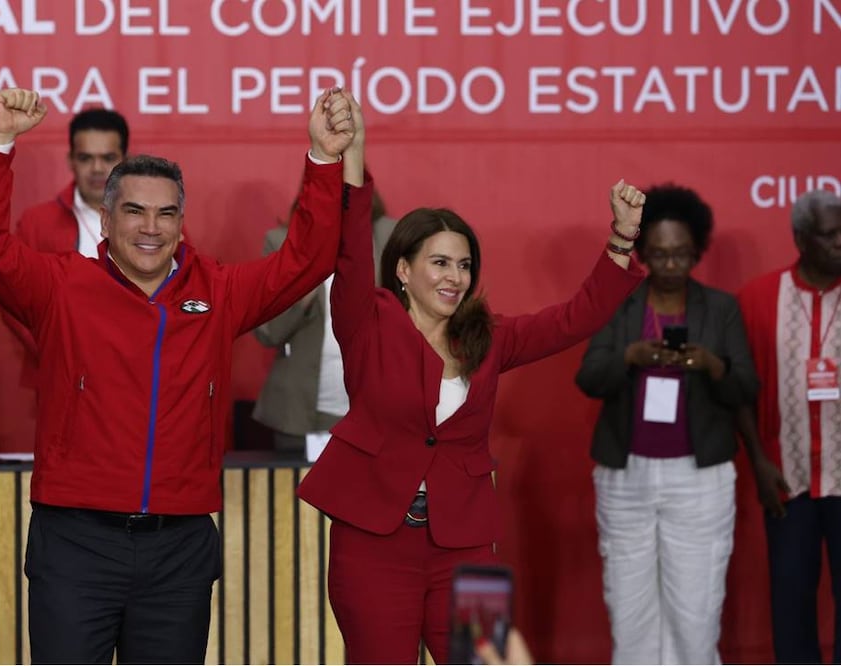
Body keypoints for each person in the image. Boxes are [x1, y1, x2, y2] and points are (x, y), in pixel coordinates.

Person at [0, 87, 357, 664]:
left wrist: (322, 160)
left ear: (181, 221)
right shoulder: (62, 287)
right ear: (106, 215)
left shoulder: (217, 291)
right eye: (135, 210)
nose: (151, 227)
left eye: (166, 213)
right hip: (76, 541)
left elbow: (307, 261)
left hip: (179, 546)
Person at [296, 89, 647, 664]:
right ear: (404, 270)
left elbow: (575, 317)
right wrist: (352, 154)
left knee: (483, 660)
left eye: (464, 265)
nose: (455, 277)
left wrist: (621, 239)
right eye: (440, 263)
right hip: (374, 547)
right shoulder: (369, 321)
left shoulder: (488, 337)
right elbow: (352, 247)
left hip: (464, 545)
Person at [574, 184, 760, 664]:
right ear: (642, 253)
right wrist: (630, 356)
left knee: (695, 613)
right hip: (625, 476)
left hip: (699, 480)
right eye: (658, 254)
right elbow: (589, 377)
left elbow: (745, 388)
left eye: (680, 254)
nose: (670, 265)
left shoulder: (720, 309)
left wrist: (712, 366)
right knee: (629, 606)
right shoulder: (621, 302)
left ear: (697, 250)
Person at [738, 189, 841, 664]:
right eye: (829, 234)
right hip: (787, 477)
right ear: (801, 239)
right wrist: (758, 462)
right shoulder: (758, 298)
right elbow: (739, 390)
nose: (840, 242)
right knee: (791, 601)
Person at [252, 189, 396, 454]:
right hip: (298, 416)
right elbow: (269, 332)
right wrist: (307, 282)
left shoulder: (389, 236)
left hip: (375, 414)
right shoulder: (283, 242)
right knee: (291, 496)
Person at [4, 108, 130, 387]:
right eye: (86, 158)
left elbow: (182, 288)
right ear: (71, 160)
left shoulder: (154, 220)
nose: (97, 169)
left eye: (108, 158)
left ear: (124, 160)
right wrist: (56, 352)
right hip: (62, 377)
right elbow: (13, 299)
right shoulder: (38, 223)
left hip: (138, 374)